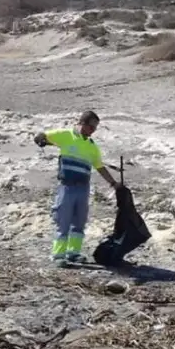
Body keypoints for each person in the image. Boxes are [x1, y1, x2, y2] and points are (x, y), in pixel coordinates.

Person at [34, 110, 120, 265]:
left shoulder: (92, 146)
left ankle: (73, 252)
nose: (93, 131)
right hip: (67, 186)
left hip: (83, 187)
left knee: (79, 221)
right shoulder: (66, 135)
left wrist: (113, 183)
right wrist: (42, 139)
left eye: (95, 128)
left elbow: (99, 167)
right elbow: (42, 136)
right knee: (63, 220)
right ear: (82, 123)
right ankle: (58, 255)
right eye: (91, 127)